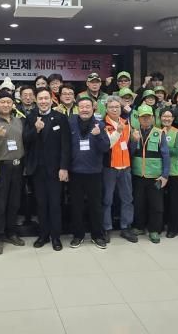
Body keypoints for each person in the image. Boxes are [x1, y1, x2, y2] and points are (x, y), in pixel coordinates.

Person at [23, 88, 70, 251]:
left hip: (56, 170)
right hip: (37, 169)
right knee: (41, 204)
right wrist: (36, 130)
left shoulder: (60, 117)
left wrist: (64, 167)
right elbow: (25, 140)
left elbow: (66, 145)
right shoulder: (30, 117)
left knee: (55, 204)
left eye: (46, 98)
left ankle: (56, 237)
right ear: (36, 100)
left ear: (51, 100)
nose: (43, 101)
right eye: (40, 99)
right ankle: (43, 235)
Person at [0, 92, 26, 255]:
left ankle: (11, 233)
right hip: (2, 167)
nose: (6, 105)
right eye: (2, 102)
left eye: (9, 102)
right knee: (0, 205)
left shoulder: (18, 121)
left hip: (18, 166)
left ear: (12, 104)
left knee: (14, 203)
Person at [67, 96, 110, 249]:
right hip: (75, 172)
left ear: (93, 108)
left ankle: (97, 235)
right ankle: (78, 235)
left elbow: (105, 148)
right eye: (82, 107)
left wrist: (98, 136)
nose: (84, 109)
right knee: (76, 206)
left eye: (87, 107)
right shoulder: (70, 122)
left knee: (95, 206)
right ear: (77, 109)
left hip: (94, 172)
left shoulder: (100, 124)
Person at [129, 104, 170, 244]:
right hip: (138, 175)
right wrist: (133, 141)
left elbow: (166, 155)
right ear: (139, 119)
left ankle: (154, 230)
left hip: (156, 176)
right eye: (143, 117)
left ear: (152, 118)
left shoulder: (159, 133)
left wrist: (165, 175)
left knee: (156, 205)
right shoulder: (134, 133)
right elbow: (130, 153)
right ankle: (139, 226)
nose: (145, 119)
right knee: (138, 203)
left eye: (148, 117)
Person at [101, 96, 136, 243]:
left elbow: (128, 145)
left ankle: (126, 227)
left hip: (125, 166)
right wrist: (117, 132)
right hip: (109, 167)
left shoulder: (126, 122)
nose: (114, 109)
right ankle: (106, 228)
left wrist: (135, 140)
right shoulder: (102, 124)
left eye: (117, 107)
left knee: (127, 198)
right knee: (107, 199)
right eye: (111, 107)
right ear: (106, 109)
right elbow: (105, 146)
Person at [159, 108, 178, 238]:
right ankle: (160, 224)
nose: (166, 119)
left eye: (169, 117)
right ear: (160, 118)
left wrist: (163, 147)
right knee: (159, 199)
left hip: (173, 172)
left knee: (174, 200)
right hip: (158, 172)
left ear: (173, 119)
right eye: (164, 116)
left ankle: (174, 228)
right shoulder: (156, 131)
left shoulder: (177, 132)